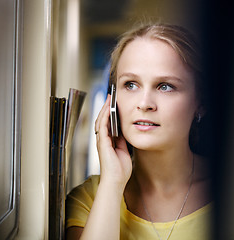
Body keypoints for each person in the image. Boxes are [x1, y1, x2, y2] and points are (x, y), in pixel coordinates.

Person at [65, 23, 212, 240]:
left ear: (200, 102)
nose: (144, 104)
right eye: (131, 84)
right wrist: (113, 182)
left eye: (165, 86)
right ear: (112, 101)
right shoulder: (89, 199)